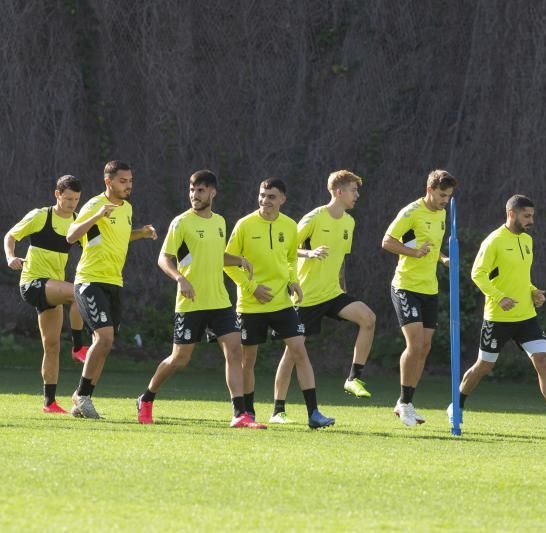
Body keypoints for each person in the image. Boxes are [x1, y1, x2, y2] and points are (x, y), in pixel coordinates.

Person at [136, 170, 264, 428]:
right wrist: (180, 279)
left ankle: (240, 413)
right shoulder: (181, 223)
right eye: (192, 190)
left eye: (201, 190)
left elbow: (217, 256)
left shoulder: (220, 222)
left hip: (219, 301)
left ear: (212, 193)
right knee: (180, 359)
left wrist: (239, 259)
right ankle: (146, 398)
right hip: (191, 303)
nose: (195, 195)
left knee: (235, 351)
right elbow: (164, 258)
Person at [451, 195, 546, 430]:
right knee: (484, 366)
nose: (531, 220)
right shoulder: (494, 241)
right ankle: (456, 405)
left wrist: (532, 292)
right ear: (512, 214)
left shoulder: (528, 241)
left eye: (532, 216)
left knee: (543, 360)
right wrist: (499, 298)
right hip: (497, 318)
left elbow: (520, 276)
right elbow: (477, 274)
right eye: (526, 216)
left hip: (526, 316)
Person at [225, 178, 335, 429]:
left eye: (271, 196)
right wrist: (252, 288)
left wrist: (294, 281)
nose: (265, 200)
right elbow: (227, 263)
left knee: (300, 351)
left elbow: (289, 260)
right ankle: (248, 413)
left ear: (283, 199)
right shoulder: (244, 225)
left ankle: (314, 414)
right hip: (251, 305)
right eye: (262, 195)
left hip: (282, 303)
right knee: (248, 359)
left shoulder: (290, 226)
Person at [269, 170, 376, 424]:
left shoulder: (349, 222)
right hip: (306, 297)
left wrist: (343, 288)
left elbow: (340, 261)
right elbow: (286, 249)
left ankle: (353, 378)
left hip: (333, 294)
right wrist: (309, 254)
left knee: (368, 318)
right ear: (339, 192)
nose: (357, 195)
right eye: (353, 190)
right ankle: (278, 411)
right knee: (292, 354)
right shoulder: (314, 218)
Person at [66, 160, 156, 419]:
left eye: (130, 181)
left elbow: (120, 235)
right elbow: (71, 236)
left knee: (104, 343)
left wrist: (141, 233)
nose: (128, 186)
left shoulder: (127, 208)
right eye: (122, 181)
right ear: (108, 182)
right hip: (89, 280)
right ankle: (81, 395)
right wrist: (96, 216)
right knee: (104, 337)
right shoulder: (94, 205)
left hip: (114, 282)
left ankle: (81, 402)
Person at [4, 175, 90, 414]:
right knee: (77, 292)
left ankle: (49, 403)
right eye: (68, 198)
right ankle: (78, 346)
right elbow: (11, 236)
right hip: (32, 284)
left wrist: (140, 233)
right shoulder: (41, 216)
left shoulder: (76, 221)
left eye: (76, 199)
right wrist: (11, 257)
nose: (72, 204)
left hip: (52, 288)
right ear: (57, 195)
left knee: (51, 346)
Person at [381, 170, 456, 427]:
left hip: (429, 288)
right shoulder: (411, 212)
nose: (445, 200)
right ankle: (404, 403)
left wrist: (443, 258)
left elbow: (430, 248)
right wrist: (413, 254)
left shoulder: (443, 213)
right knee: (414, 345)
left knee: (425, 347)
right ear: (429, 189)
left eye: (448, 196)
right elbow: (387, 241)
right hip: (405, 286)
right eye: (442, 195)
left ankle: (407, 402)